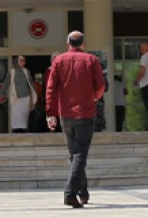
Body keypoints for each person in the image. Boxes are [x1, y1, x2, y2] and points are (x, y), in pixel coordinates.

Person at [45, 31, 106, 208]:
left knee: (75, 154)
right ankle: (70, 193)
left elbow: (51, 89)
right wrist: (94, 97)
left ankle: (83, 192)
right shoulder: (91, 60)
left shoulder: (58, 61)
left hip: (66, 114)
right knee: (80, 153)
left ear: (67, 45)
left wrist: (50, 113)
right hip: (86, 112)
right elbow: (100, 85)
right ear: (84, 44)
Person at [7, 55, 35, 133]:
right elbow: (6, 83)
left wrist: (32, 99)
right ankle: (16, 131)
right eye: (20, 61)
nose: (22, 63)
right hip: (15, 99)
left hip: (25, 98)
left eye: (23, 61)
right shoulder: (12, 73)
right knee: (15, 118)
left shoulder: (26, 72)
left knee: (23, 118)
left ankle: (23, 130)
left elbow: (31, 86)